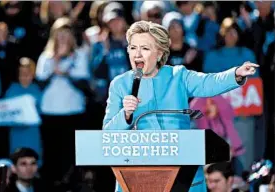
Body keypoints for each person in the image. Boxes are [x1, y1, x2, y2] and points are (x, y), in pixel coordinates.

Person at [102, 20, 258, 192]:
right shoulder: (120, 85)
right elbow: (107, 135)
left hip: (184, 176)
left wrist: (235, 74)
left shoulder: (178, 76)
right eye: (133, 48)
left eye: (145, 48)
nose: (137, 54)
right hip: (138, 179)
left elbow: (208, 83)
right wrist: (125, 115)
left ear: (160, 53)